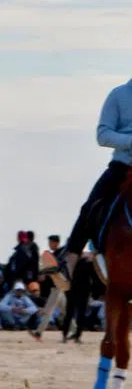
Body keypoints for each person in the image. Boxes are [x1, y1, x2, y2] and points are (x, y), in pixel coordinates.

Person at [64, 79, 132, 278]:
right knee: (90, 208)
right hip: (123, 167)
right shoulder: (119, 95)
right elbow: (103, 135)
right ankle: (68, 264)